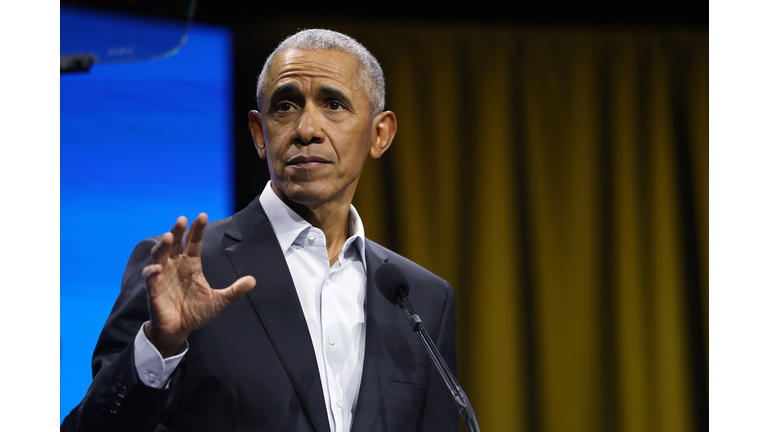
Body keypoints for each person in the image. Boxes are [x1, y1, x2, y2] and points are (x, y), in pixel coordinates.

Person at [61, 29, 459, 432]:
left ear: (380, 134)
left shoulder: (422, 299)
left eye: (333, 104)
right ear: (258, 134)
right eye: (285, 106)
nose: (307, 128)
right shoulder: (186, 271)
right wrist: (160, 347)